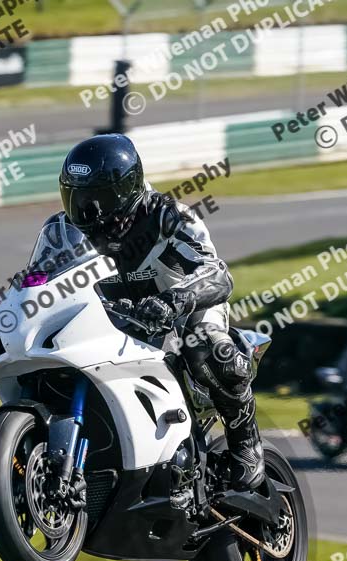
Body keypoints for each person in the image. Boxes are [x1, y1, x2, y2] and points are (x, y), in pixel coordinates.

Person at [51, 133, 264, 491]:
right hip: (112, 320)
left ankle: (246, 443)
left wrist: (174, 300)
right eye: (77, 198)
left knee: (211, 349)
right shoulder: (62, 231)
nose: (89, 212)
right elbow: (38, 279)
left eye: (99, 199)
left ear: (128, 189)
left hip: (185, 315)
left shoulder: (168, 216)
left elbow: (217, 274)